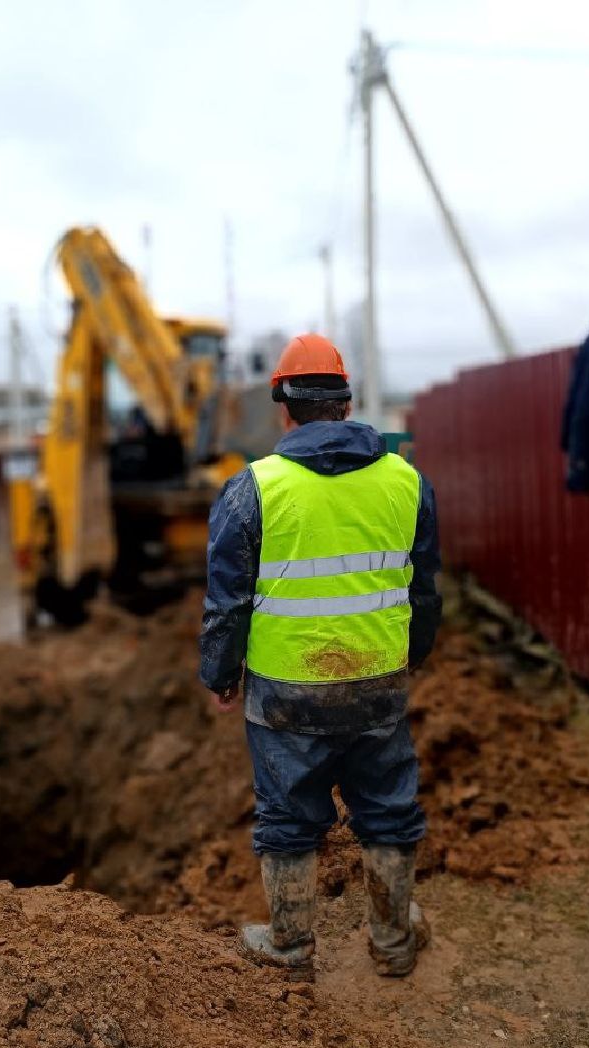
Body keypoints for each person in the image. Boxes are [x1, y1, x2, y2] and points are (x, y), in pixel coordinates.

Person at [199, 333, 442, 978]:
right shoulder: (406, 483)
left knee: (287, 817)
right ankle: (392, 943)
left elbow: (227, 605)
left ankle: (291, 946)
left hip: (285, 693)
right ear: (347, 402)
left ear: (283, 408)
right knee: (388, 809)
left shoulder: (251, 490)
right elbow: (424, 590)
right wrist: (408, 656)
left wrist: (220, 675)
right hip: (377, 683)